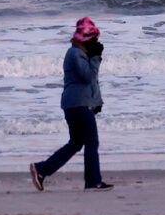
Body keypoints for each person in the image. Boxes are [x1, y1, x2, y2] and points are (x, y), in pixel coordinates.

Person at [29, 17, 113, 191]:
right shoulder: (76, 53)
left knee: (76, 143)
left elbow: (90, 83)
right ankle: (92, 181)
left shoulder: (81, 53)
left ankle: (42, 169)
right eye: (94, 39)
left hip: (77, 104)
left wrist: (96, 102)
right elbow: (87, 77)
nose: (96, 42)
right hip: (77, 105)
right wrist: (96, 58)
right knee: (92, 142)